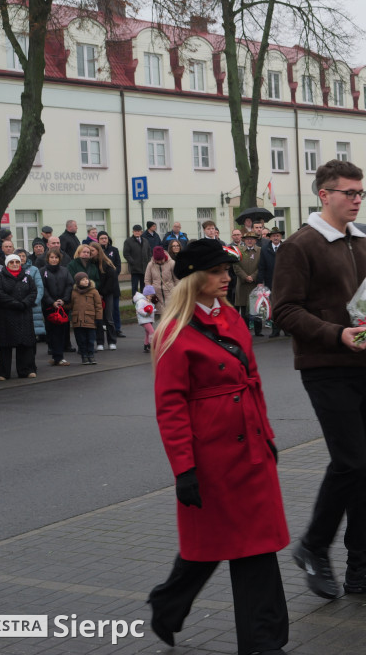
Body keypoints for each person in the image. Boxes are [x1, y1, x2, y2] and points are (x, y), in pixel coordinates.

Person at [272, 159, 366, 599]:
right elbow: (284, 311)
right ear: (324, 195)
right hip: (325, 367)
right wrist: (337, 333)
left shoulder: (365, 242)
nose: (356, 200)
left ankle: (364, 566)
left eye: (360, 193)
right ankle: (314, 546)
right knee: (350, 462)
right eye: (348, 193)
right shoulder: (300, 245)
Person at [148, 240, 289, 654]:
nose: (227, 277)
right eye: (217, 271)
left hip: (250, 449)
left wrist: (267, 435)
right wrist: (184, 469)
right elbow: (169, 407)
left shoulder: (231, 315)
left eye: (228, 269)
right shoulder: (174, 331)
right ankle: (169, 602)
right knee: (212, 546)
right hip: (211, 457)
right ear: (195, 277)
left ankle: (263, 642)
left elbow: (254, 381)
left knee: (255, 547)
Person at [0, 254, 38, 379]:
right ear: (7, 264)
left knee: (25, 343)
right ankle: (3, 372)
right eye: (11, 262)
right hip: (6, 315)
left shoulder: (27, 278)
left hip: (24, 314)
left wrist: (24, 303)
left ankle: (26, 370)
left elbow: (33, 292)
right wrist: (15, 303)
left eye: (17, 262)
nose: (14, 264)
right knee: (5, 345)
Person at [41, 248, 72, 366]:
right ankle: (55, 355)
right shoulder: (42, 271)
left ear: (59, 259)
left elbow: (69, 285)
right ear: (48, 259)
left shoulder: (65, 271)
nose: (54, 260)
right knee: (50, 331)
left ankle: (59, 356)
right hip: (49, 306)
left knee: (60, 332)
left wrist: (63, 300)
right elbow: (42, 288)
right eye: (51, 257)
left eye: (56, 257)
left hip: (62, 306)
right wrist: (51, 301)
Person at [89, 242, 118, 351]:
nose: (91, 253)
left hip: (107, 294)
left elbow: (112, 280)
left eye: (93, 250)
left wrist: (103, 293)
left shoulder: (106, 263)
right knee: (98, 319)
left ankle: (112, 341)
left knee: (108, 318)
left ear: (98, 251)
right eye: (89, 251)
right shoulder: (90, 264)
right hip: (95, 294)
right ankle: (100, 342)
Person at [70, 271, 102, 365]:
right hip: (78, 321)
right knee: (81, 340)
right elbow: (71, 305)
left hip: (90, 320)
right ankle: (84, 356)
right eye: (83, 280)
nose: (86, 281)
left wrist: (99, 318)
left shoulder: (93, 291)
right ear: (78, 282)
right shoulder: (74, 293)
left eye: (86, 279)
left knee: (90, 339)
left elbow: (98, 306)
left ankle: (91, 355)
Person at [234, 231, 263, 336]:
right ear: (244, 240)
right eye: (247, 239)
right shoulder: (238, 250)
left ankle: (258, 332)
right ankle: (245, 331)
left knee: (256, 308)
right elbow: (236, 266)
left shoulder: (260, 251)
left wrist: (253, 277)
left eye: (252, 239)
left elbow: (262, 266)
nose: (249, 241)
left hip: (255, 284)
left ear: (255, 240)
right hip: (242, 284)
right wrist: (245, 277)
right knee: (244, 308)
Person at [18, 248, 45, 346]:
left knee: (32, 336)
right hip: (18, 305)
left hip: (33, 305)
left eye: (23, 256)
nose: (21, 258)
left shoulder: (34, 269)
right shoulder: (11, 269)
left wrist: (34, 301)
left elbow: (39, 287)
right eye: (19, 256)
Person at [124, 224, 153, 299]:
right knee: (135, 286)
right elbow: (126, 254)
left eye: (138, 231)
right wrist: (133, 262)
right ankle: (135, 300)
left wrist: (149, 260)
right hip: (135, 269)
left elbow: (149, 252)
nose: (137, 232)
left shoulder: (145, 241)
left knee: (144, 286)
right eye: (135, 231)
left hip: (145, 268)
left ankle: (144, 300)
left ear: (141, 232)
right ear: (133, 232)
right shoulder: (128, 241)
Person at [145, 245, 178, 310]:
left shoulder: (172, 263)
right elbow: (147, 280)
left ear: (164, 257)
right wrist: (150, 294)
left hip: (170, 295)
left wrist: (176, 291)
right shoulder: (150, 265)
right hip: (156, 297)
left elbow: (177, 279)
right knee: (158, 319)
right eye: (157, 260)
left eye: (161, 259)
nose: (159, 262)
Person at [134, 284, 157, 353]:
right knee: (152, 332)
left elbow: (151, 308)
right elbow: (139, 309)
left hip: (149, 319)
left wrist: (153, 310)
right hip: (144, 320)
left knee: (148, 332)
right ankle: (151, 345)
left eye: (153, 296)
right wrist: (147, 313)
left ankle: (146, 345)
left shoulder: (149, 301)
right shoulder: (141, 301)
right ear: (146, 295)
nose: (152, 297)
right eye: (151, 296)